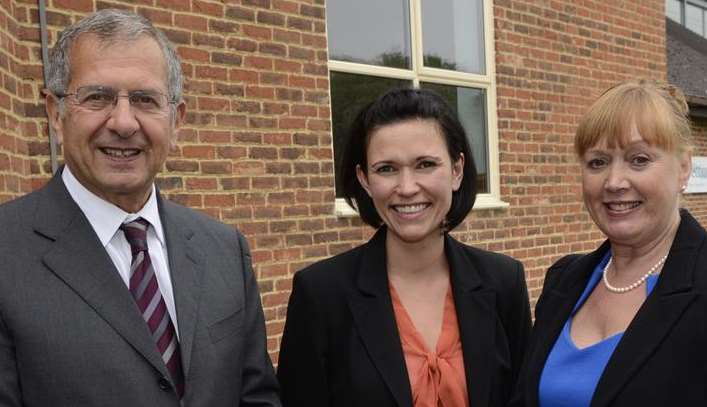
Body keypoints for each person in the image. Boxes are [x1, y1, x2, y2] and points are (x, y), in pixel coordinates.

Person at [0, 9, 280, 407]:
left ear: (176, 120)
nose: (124, 122)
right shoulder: (7, 252)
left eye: (146, 100)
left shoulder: (224, 250)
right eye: (97, 97)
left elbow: (257, 397)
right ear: (55, 113)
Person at [277, 88, 531, 407]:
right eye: (387, 169)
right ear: (365, 180)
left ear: (456, 170)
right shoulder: (321, 294)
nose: (407, 188)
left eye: (425, 164)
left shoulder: (503, 281)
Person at [510, 79, 706, 406]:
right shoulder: (564, 278)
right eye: (597, 162)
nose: (614, 182)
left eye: (639, 160)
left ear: (683, 167)